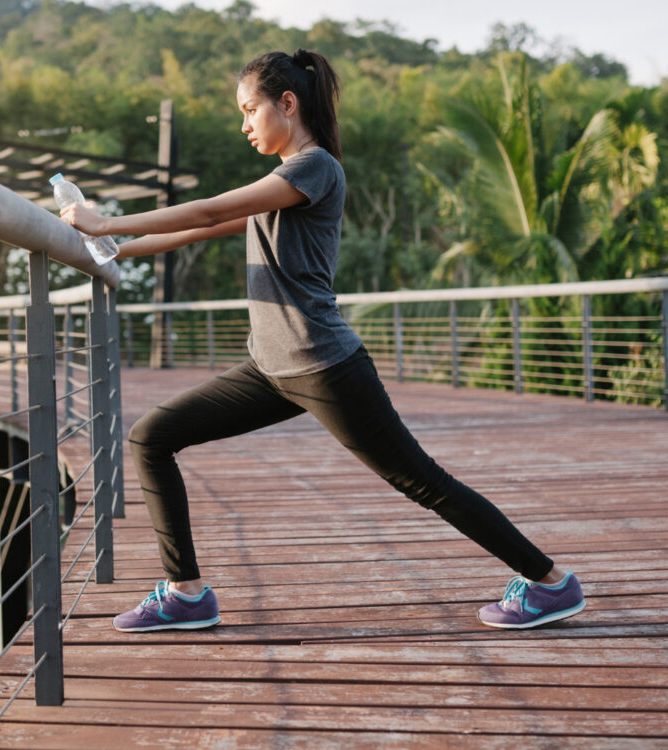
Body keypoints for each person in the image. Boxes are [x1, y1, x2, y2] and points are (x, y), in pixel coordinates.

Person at [57, 49, 585, 633]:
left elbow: (206, 212)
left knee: (423, 482)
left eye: (250, 109)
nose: (244, 125)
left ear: (289, 103)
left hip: (325, 366)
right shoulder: (278, 186)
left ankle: (550, 582)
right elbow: (191, 230)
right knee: (152, 436)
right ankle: (186, 593)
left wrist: (103, 222)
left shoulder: (314, 168)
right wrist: (112, 249)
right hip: (271, 370)